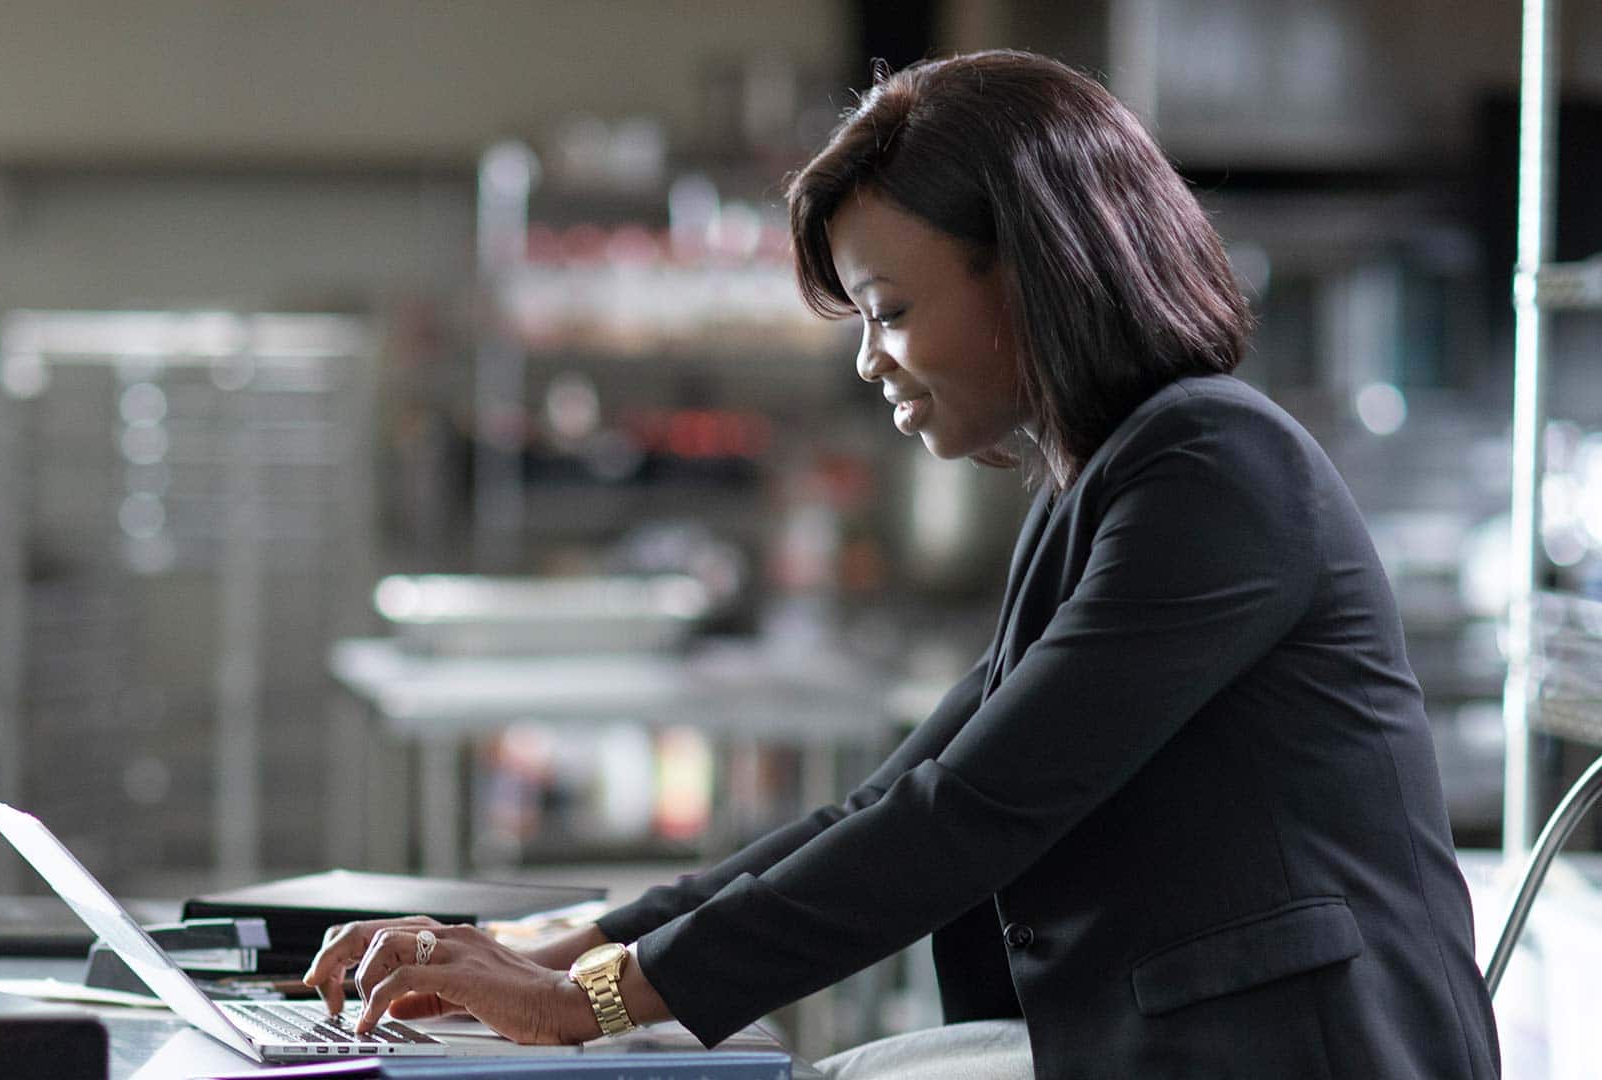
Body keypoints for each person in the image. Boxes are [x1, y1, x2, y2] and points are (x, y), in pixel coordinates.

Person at [304, 50, 1502, 1079]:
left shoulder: (1215, 468)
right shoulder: (1112, 479)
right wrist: (566, 949)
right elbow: (894, 796)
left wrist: (594, 1002)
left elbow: (971, 815)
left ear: (1034, 274)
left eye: (887, 308)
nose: (871, 360)